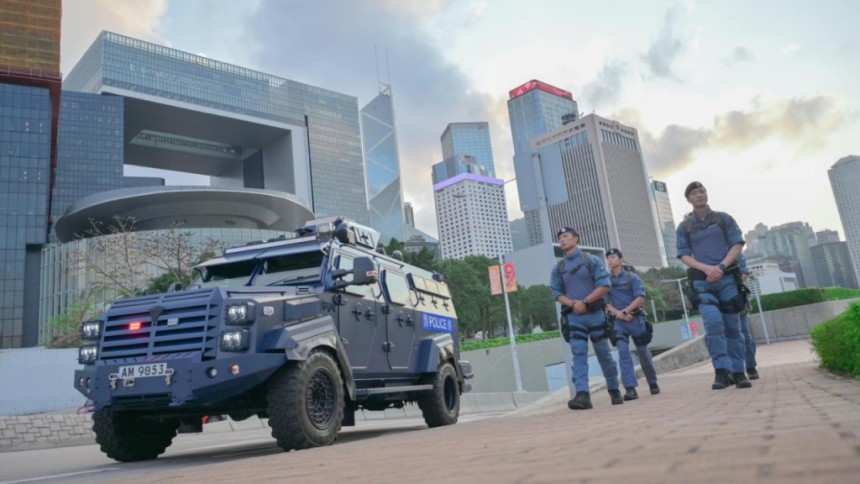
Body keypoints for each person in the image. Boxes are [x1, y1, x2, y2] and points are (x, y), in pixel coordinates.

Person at [677, 181, 751, 390]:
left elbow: (737, 244)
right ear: (689, 199)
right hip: (703, 282)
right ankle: (721, 371)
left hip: (727, 278)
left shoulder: (723, 219)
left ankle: (739, 371)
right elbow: (683, 255)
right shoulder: (685, 226)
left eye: (702, 191)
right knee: (713, 323)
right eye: (694, 193)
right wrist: (707, 269)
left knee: (733, 327)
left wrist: (720, 266)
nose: (699, 195)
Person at [550, 227, 623, 410]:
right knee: (579, 354)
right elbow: (556, 292)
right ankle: (582, 395)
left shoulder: (591, 260)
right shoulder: (559, 267)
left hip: (595, 314)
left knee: (603, 353)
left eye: (566, 236)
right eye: (560, 238)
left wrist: (585, 301)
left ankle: (614, 390)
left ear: (576, 239)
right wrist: (573, 303)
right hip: (574, 317)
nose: (562, 240)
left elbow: (604, 285)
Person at [604, 248, 660, 400]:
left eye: (613, 257)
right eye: (608, 258)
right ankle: (630, 388)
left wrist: (626, 311)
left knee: (643, 353)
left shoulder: (632, 277)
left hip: (635, 320)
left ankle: (653, 382)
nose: (610, 260)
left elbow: (640, 298)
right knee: (622, 353)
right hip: (619, 322)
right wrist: (619, 314)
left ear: (621, 259)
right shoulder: (606, 281)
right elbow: (606, 303)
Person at [737, 254, 759, 380]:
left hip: (737, 300)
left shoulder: (734, 249)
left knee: (745, 336)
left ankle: (751, 367)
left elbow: (744, 275)